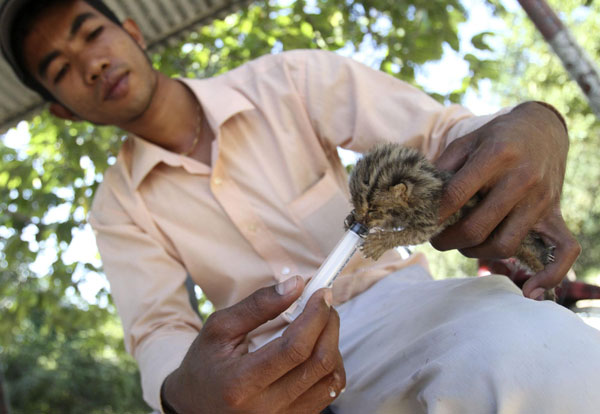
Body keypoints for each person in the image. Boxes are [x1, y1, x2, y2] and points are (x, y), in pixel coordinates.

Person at [2, 0, 600, 413]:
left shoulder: (287, 80)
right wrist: (185, 396)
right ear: (62, 109)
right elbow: (159, 330)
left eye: (90, 33)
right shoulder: (118, 206)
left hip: (411, 311)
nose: (91, 63)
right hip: (269, 383)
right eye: (60, 68)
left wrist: (537, 123)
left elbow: (445, 133)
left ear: (131, 32)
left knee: (533, 361)